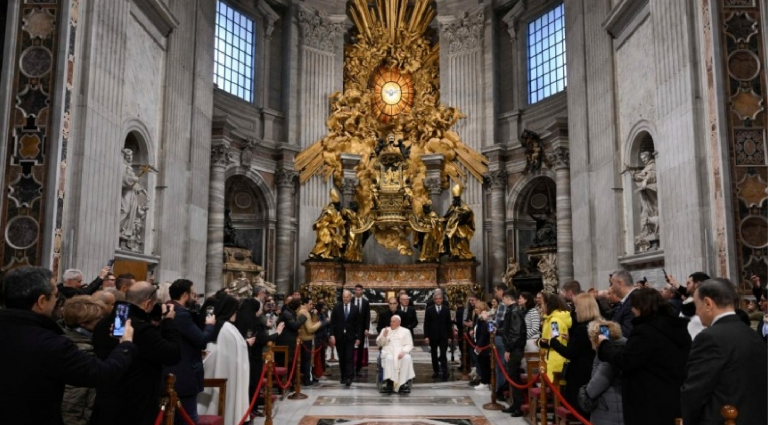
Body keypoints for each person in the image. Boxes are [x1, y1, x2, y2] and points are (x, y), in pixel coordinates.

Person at [0, 267, 137, 425]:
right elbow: (101, 374)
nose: (57, 301)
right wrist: (125, 345)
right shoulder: (51, 344)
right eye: (55, 295)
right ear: (41, 302)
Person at [91, 281, 180, 425]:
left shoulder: (103, 324)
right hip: (135, 405)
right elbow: (173, 355)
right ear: (147, 304)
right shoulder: (141, 329)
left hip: (106, 400)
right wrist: (169, 322)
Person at [596, 288, 691, 425]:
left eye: (634, 306)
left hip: (648, 398)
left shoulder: (646, 331)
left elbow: (626, 361)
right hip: (672, 394)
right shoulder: (676, 327)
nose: (632, 310)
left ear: (642, 307)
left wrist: (604, 345)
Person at [681, 278, 768, 425]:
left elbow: (695, 392)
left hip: (723, 418)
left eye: (696, 305)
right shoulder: (751, 333)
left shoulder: (709, 338)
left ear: (708, 303)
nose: (696, 312)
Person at [163, 279, 216, 425]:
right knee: (188, 418)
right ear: (185, 295)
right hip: (183, 374)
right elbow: (201, 340)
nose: (195, 297)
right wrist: (210, 325)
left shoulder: (166, 309)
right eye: (193, 294)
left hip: (172, 371)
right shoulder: (181, 314)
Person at [198, 294, 252, 424]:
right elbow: (237, 349)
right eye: (235, 311)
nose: (236, 314)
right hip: (228, 374)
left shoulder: (217, 325)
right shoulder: (227, 328)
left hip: (218, 372)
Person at [549, 293, 599, 420]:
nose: (575, 310)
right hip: (595, 370)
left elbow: (570, 353)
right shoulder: (600, 325)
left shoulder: (582, 329)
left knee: (579, 409)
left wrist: (554, 342)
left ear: (583, 308)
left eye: (576, 307)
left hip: (580, 373)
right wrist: (572, 340)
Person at [59, 296, 109, 425]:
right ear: (83, 322)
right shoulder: (80, 351)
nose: (103, 322)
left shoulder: (65, 340)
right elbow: (72, 401)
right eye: (99, 319)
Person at [582, 320, 625, 425]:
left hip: (609, 411)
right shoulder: (622, 348)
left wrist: (584, 393)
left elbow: (593, 389)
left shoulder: (608, 355)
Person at [499, 290, 526, 417]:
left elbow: (515, 333)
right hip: (513, 347)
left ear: (507, 298)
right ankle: (515, 404)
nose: (502, 300)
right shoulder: (512, 310)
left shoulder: (514, 311)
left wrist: (509, 349)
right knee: (512, 376)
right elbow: (508, 329)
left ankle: (519, 406)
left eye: (503, 298)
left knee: (514, 376)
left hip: (515, 349)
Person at [329, 289, 363, 386]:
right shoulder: (337, 307)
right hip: (339, 336)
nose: (345, 299)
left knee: (349, 357)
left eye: (347, 297)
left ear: (350, 297)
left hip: (350, 337)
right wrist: (332, 335)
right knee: (342, 357)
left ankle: (349, 377)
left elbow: (358, 324)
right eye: (344, 297)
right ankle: (343, 376)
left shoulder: (355, 309)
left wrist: (358, 337)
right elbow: (332, 323)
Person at [376, 315, 416, 393]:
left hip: (401, 352)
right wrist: (384, 336)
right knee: (389, 358)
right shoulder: (385, 330)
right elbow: (379, 344)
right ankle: (389, 383)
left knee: (407, 358)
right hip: (388, 352)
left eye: (393, 322)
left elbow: (409, 344)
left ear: (399, 323)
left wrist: (403, 351)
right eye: (391, 321)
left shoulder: (406, 331)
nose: (391, 323)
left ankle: (403, 384)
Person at [538, 292, 572, 381]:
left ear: (548, 305)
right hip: (551, 359)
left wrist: (539, 342)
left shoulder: (554, 322)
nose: (541, 307)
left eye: (542, 304)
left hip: (554, 361)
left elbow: (555, 341)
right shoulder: (550, 319)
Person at [424, 291, 453, 380]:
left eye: (440, 299)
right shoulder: (429, 309)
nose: (438, 300)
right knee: (434, 354)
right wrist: (426, 336)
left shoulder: (446, 309)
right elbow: (426, 324)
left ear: (442, 299)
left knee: (443, 354)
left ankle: (445, 371)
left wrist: (450, 336)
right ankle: (435, 371)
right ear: (434, 300)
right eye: (436, 299)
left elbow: (449, 324)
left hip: (443, 336)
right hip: (433, 336)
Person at [275, 297, 307, 374]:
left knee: (291, 363)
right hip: (286, 342)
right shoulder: (287, 314)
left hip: (290, 341)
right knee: (286, 362)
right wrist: (303, 317)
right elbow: (294, 325)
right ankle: (286, 379)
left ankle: (291, 379)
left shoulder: (290, 313)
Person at [443, 184, 475, 259]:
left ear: (459, 198)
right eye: (454, 198)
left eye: (456, 198)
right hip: (453, 228)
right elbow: (447, 216)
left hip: (462, 227)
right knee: (453, 240)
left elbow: (469, 213)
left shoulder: (464, 206)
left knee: (462, 240)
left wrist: (463, 218)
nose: (455, 200)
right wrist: (443, 220)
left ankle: (465, 253)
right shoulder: (452, 207)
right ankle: (455, 253)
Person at [298, 297, 324, 387]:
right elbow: (310, 328)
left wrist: (314, 315)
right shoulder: (304, 313)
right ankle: (307, 379)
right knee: (308, 361)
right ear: (305, 304)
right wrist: (321, 323)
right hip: (307, 339)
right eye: (310, 304)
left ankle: (309, 377)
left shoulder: (302, 311)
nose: (312, 306)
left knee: (307, 360)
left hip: (304, 338)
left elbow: (312, 322)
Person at [471, 301, 492, 390]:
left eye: (477, 308)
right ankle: (484, 380)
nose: (475, 310)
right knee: (481, 363)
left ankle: (485, 382)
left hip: (484, 346)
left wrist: (479, 346)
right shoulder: (479, 318)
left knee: (484, 364)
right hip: (480, 344)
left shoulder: (485, 319)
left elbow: (486, 333)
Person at [609, 270, 635, 337]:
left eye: (612, 284)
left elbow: (627, 334)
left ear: (619, 284)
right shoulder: (627, 300)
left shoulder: (633, 300)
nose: (611, 287)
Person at [352, 284, 371, 375]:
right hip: (352, 328)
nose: (358, 291)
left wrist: (367, 328)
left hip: (362, 328)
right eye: (356, 290)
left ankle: (358, 368)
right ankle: (350, 367)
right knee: (350, 348)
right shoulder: (351, 300)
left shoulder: (365, 302)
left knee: (360, 349)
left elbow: (367, 316)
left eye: (359, 290)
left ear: (362, 291)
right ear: (354, 291)